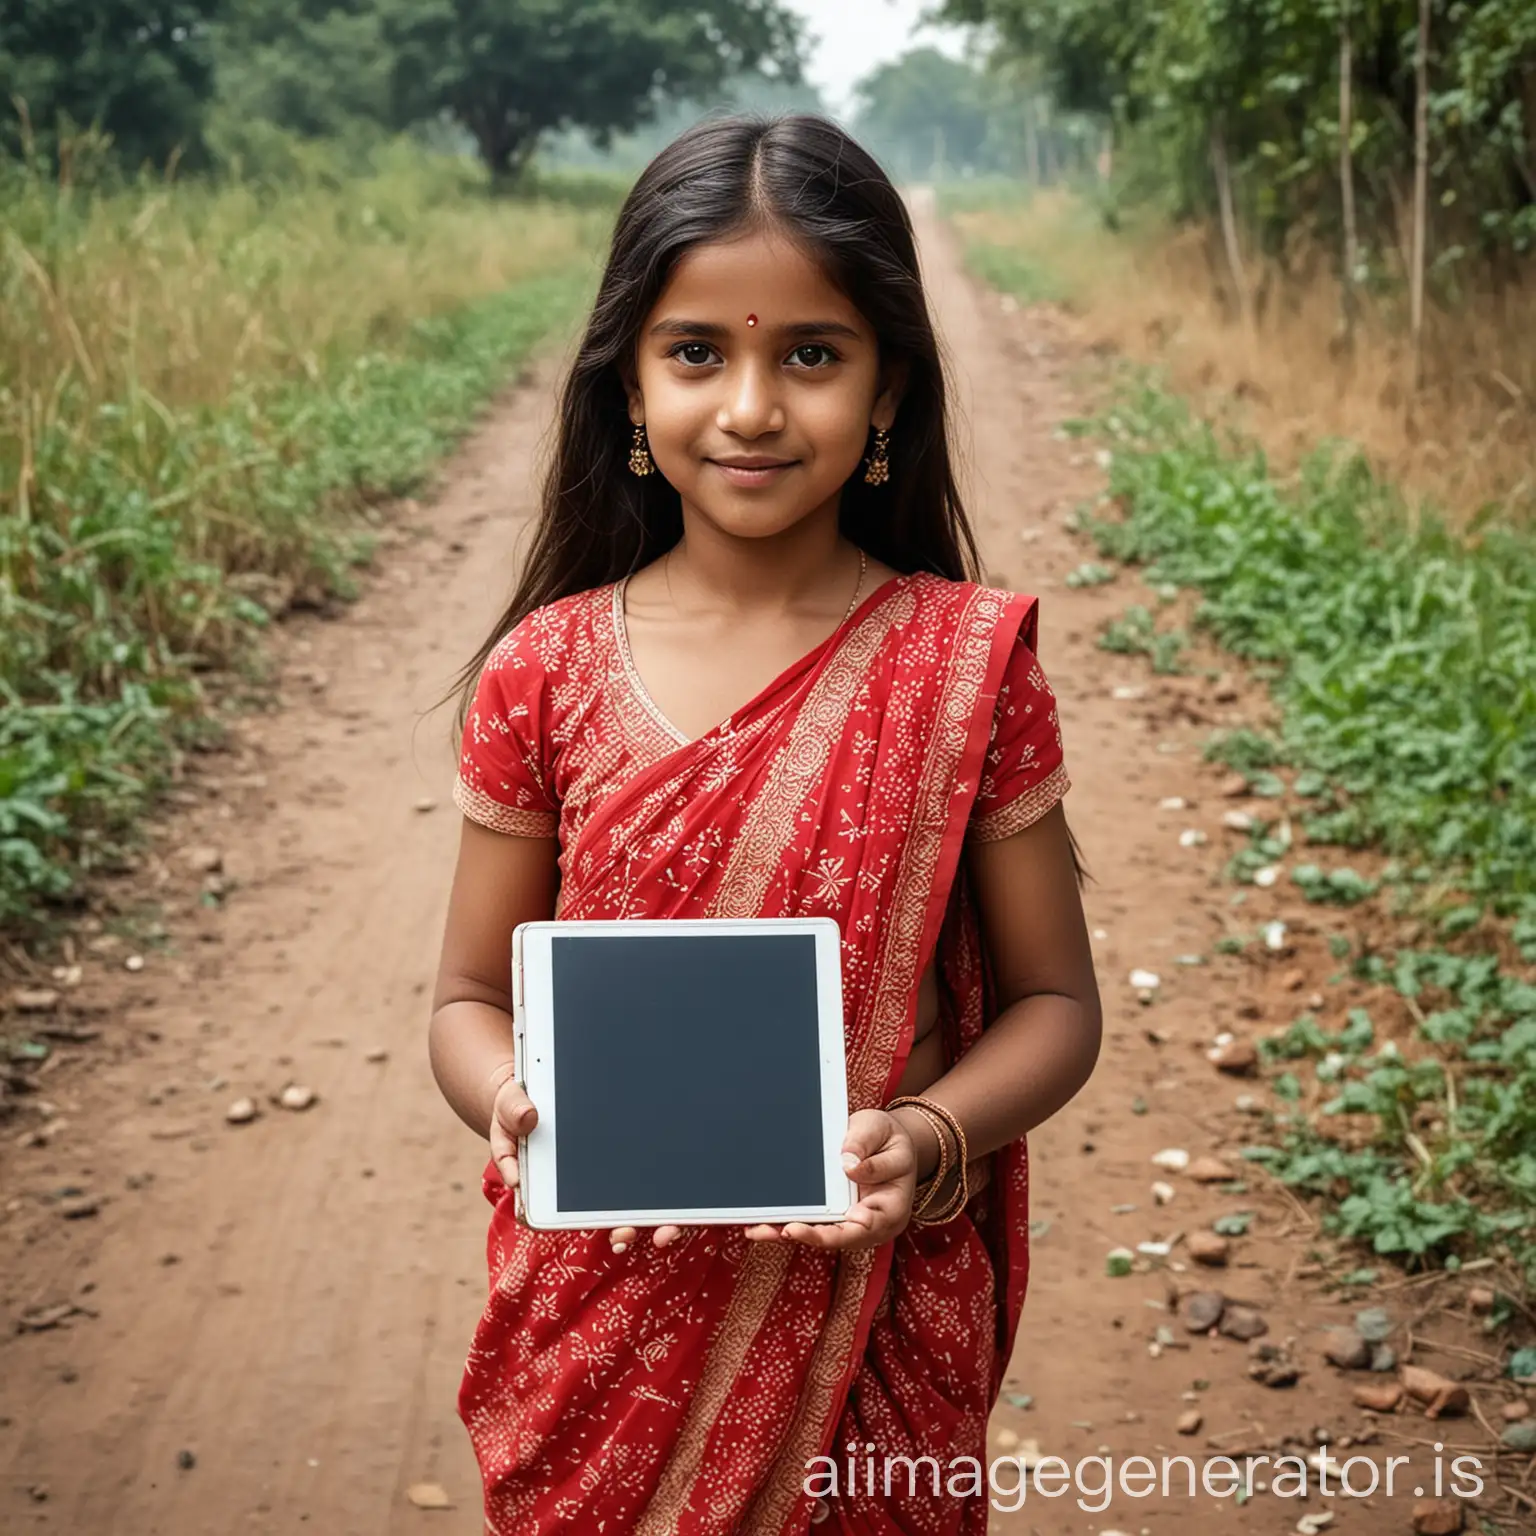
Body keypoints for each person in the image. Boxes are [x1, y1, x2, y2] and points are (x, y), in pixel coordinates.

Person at [429, 113, 1102, 1536]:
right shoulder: (542, 672)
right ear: (626, 384)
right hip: (603, 1306)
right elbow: (469, 999)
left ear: (887, 391)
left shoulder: (965, 667)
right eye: (697, 353)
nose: (750, 405)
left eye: (810, 352)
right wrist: (515, 1107)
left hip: (872, 1304)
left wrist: (925, 1138)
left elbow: (1052, 1004)